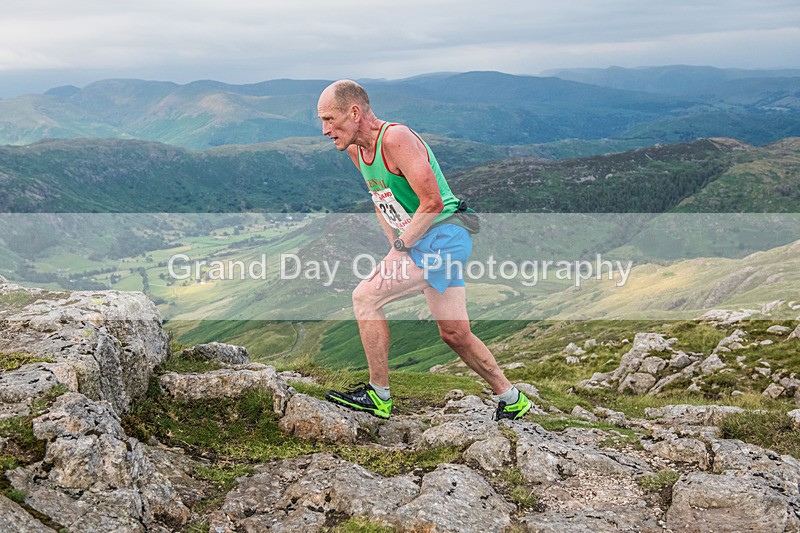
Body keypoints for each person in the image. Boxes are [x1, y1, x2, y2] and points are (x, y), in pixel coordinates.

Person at [317, 80, 530, 421]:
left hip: (445, 236)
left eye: (329, 119)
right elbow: (381, 200)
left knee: (365, 297)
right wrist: (395, 243)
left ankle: (378, 394)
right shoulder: (359, 152)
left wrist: (400, 249)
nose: (325, 130)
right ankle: (513, 397)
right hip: (422, 240)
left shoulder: (396, 139)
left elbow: (431, 202)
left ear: (354, 112)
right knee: (455, 334)